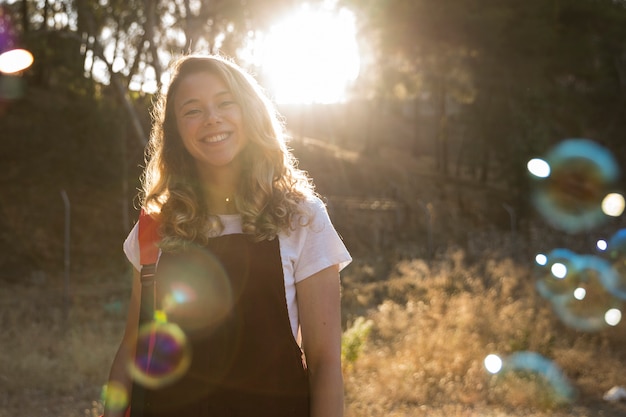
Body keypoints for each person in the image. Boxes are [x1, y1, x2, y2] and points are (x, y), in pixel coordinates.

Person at [103, 54, 352, 417]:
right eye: (192, 110)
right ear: (175, 131)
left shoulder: (302, 219)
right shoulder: (156, 226)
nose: (212, 119)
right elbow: (133, 348)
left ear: (249, 113)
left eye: (224, 103)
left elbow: (325, 363)